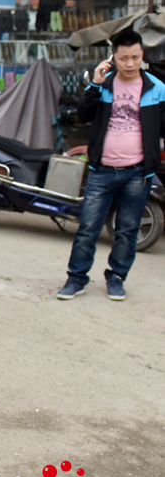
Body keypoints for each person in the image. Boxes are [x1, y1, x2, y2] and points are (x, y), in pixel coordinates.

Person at [57, 29, 165, 301]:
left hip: (138, 173)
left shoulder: (157, 88)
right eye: (124, 58)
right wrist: (94, 84)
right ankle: (76, 279)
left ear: (142, 56)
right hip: (102, 171)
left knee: (127, 230)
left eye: (136, 57)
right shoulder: (103, 85)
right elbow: (83, 115)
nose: (130, 64)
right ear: (112, 58)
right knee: (87, 228)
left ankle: (116, 277)